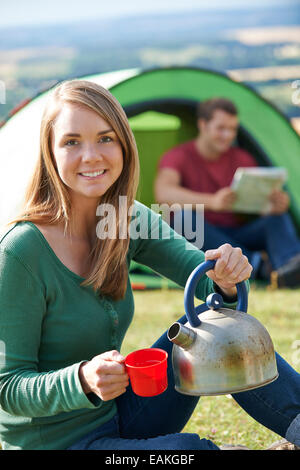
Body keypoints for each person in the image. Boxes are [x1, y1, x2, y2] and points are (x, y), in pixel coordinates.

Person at [0, 81, 299, 451]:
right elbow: (7, 387)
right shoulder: (21, 251)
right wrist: (80, 379)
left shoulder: (127, 219)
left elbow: (209, 289)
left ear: (124, 145)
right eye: (72, 141)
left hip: (119, 414)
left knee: (216, 330)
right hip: (56, 443)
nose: (91, 155)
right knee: (190, 453)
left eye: (105, 138)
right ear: (50, 152)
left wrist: (225, 279)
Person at [155, 97, 300, 288]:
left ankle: (288, 269)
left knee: (276, 218)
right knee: (183, 219)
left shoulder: (242, 158)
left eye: (232, 129)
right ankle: (257, 267)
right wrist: (213, 202)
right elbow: (163, 193)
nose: (227, 135)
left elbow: (257, 208)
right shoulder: (178, 156)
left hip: (238, 235)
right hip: (204, 237)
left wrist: (272, 206)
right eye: (221, 128)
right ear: (203, 125)